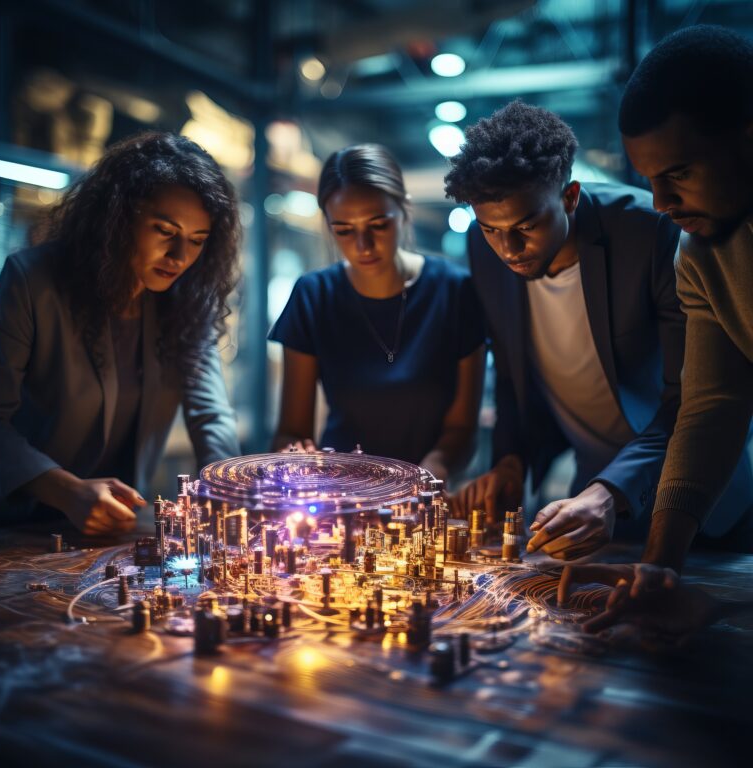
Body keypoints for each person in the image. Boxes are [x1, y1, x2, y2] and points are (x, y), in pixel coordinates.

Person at [445, 99, 749, 559]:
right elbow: (514, 376)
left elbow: (693, 400)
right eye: (491, 229)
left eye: (527, 225)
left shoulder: (652, 232)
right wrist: (511, 462)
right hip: (592, 509)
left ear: (570, 197)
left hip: (706, 504)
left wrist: (611, 490)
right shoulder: (483, 246)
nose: (508, 248)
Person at [559, 25, 753, 632]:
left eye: (679, 172)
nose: (661, 201)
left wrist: (730, 606)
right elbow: (710, 407)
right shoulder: (698, 253)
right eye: (647, 178)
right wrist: (659, 568)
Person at [0, 132, 240, 536]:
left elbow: (210, 413)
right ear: (119, 215)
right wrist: (67, 491)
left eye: (196, 241)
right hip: (17, 525)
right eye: (164, 230)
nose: (179, 257)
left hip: (115, 530)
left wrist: (232, 492)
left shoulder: (188, 302)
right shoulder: (33, 281)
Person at [269, 143, 485, 483]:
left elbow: (462, 429)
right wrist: (297, 458)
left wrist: (431, 472)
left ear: (404, 209)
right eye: (344, 230)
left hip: (425, 494)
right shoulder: (314, 295)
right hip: (340, 494)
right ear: (328, 225)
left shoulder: (455, 290)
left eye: (378, 224)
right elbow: (291, 431)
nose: (363, 245)